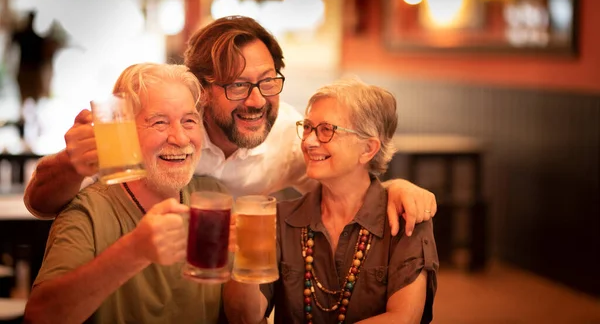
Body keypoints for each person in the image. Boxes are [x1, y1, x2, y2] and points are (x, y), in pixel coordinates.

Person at [24, 16, 437, 236]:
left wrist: (393, 187)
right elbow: (39, 203)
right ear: (201, 91)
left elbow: (345, 189)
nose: (257, 100)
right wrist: (70, 164)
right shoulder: (158, 128)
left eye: (267, 81)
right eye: (238, 86)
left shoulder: (293, 137)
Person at [23, 63, 229, 324]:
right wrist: (135, 251)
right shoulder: (90, 211)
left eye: (189, 121)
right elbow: (38, 317)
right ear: (124, 131)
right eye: (159, 122)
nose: (180, 138)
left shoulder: (213, 197)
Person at [224, 78, 438, 324]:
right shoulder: (279, 219)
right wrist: (243, 261)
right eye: (307, 127)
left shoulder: (405, 218)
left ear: (368, 149)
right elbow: (245, 317)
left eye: (327, 130)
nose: (308, 141)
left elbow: (404, 318)